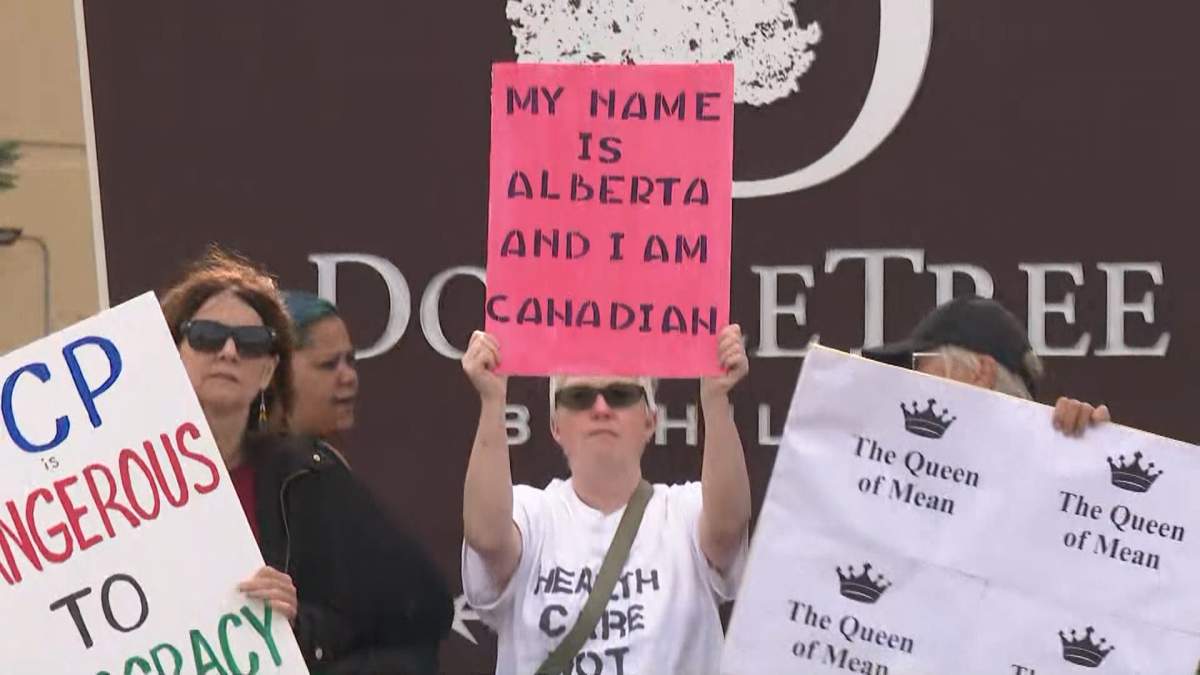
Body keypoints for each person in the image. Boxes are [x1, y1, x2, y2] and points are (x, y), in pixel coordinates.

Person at [161, 247, 453, 674]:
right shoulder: (105, 481)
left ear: (268, 371)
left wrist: (299, 627)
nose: (228, 351)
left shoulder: (304, 476)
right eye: (206, 335)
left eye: (251, 342)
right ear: (173, 351)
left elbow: (421, 610)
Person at [460, 325, 752, 675]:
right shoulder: (531, 513)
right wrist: (492, 401)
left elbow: (729, 526)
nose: (600, 408)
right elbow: (487, 538)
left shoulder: (685, 512)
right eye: (579, 397)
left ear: (651, 420)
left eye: (621, 394)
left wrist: (716, 400)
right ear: (555, 425)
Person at [861, 294, 1110, 434]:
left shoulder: (1050, 476)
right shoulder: (894, 474)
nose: (908, 381)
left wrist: (1092, 453)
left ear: (981, 372)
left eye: (917, 364)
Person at [279, 291, 358, 447]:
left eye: (350, 361)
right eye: (329, 364)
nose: (350, 377)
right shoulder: (238, 458)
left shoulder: (326, 457)